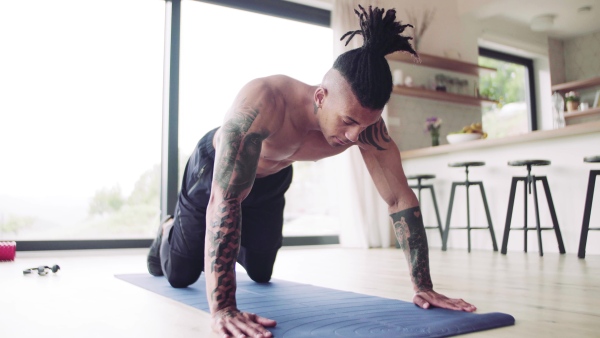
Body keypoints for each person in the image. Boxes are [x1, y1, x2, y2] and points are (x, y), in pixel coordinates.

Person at [147, 5, 476, 338]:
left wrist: (424, 286)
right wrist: (224, 308)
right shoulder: (265, 102)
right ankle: (168, 229)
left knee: (261, 273)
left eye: (366, 123)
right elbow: (226, 197)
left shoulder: (368, 130)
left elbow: (399, 199)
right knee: (180, 274)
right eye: (348, 121)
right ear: (321, 96)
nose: (354, 135)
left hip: (272, 180)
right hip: (215, 172)